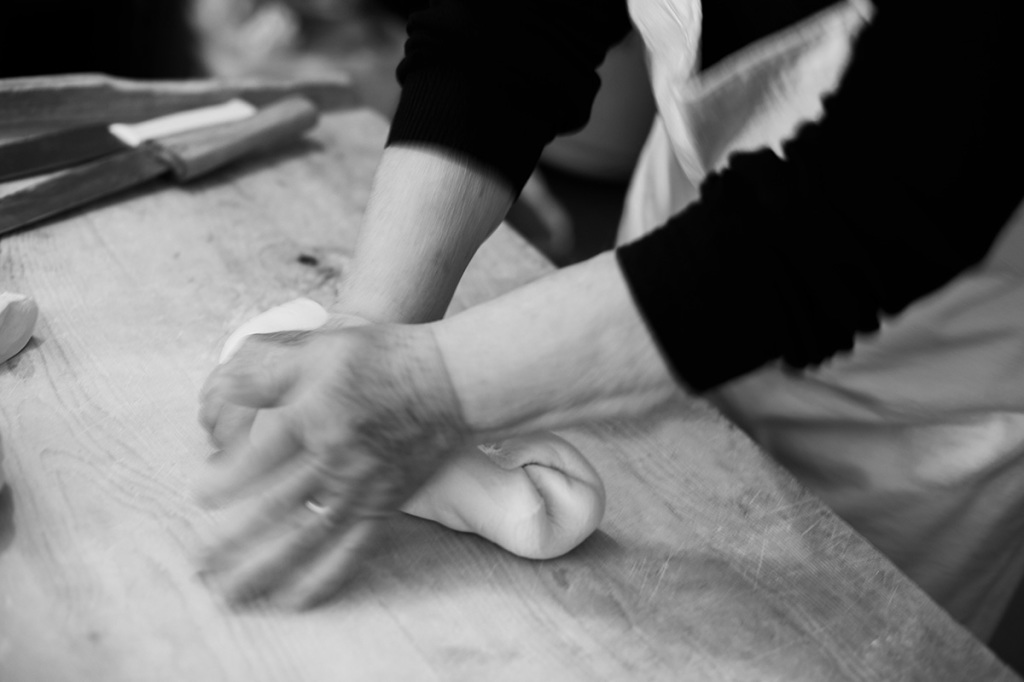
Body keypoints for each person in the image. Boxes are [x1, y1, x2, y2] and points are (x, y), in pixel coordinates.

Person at [194, 0, 1024, 652]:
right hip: (659, 279)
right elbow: (511, 25)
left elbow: (882, 193)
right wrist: (370, 325)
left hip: (923, 397)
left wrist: (426, 384)